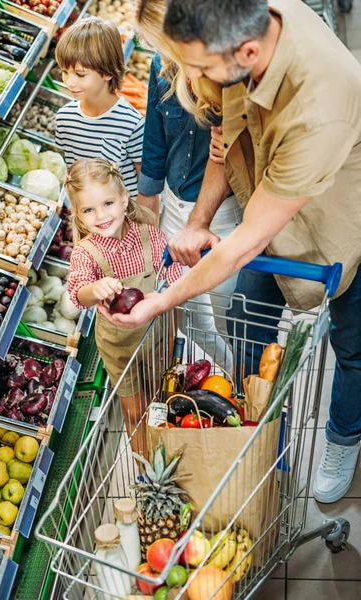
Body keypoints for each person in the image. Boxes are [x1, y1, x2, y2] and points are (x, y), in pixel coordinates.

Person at [99, 0, 361, 504]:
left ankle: (343, 438)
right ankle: (257, 433)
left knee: (354, 346)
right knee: (246, 321)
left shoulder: (319, 104)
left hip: (341, 215)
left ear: (245, 52)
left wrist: (158, 301)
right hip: (275, 196)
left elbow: (247, 241)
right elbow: (225, 140)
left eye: (197, 69)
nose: (187, 79)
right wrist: (197, 222)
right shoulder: (241, 32)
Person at [135, 0, 243, 370]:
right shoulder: (160, 67)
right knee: (188, 312)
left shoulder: (223, 72)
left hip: (222, 214)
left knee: (225, 311)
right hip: (173, 206)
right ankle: (214, 375)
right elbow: (155, 140)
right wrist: (146, 204)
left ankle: (238, 376)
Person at [66, 158, 182, 452]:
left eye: (107, 204)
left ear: (123, 199)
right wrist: (96, 288)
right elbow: (78, 292)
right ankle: (143, 466)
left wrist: (170, 291)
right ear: (78, 216)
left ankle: (166, 454)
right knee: (134, 410)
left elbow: (173, 276)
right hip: (119, 349)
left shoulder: (150, 235)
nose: (101, 215)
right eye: (89, 210)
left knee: (161, 400)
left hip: (157, 337)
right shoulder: (86, 253)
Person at [55, 17, 144, 198]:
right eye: (65, 72)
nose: (69, 82)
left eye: (80, 74)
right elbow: (73, 175)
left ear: (108, 72)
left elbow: (146, 186)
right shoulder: (64, 118)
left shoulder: (132, 124)